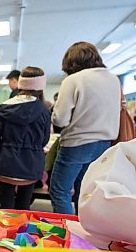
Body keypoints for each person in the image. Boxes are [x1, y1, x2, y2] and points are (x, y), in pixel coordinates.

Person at [49, 41, 120, 215]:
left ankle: (69, 234)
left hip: (77, 143)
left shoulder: (73, 80)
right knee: (85, 193)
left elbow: (60, 119)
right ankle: (84, 234)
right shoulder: (113, 79)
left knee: (60, 191)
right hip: (105, 145)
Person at [0, 66, 51, 210]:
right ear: (40, 87)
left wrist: (4, 150)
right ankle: (22, 232)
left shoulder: (5, 108)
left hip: (6, 163)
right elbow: (44, 140)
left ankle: (4, 232)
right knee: (24, 205)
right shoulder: (44, 111)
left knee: (5, 205)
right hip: (31, 165)